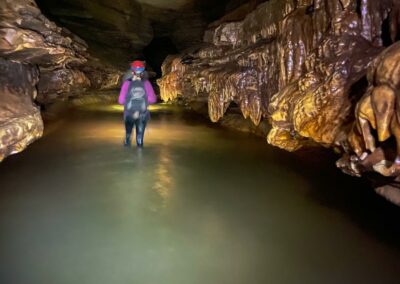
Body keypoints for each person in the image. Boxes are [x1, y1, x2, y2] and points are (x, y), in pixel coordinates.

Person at [118, 60, 157, 147]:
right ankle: (140, 154)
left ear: (132, 72)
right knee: (139, 138)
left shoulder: (127, 83)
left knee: (128, 134)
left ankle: (127, 149)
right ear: (142, 73)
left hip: (129, 113)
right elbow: (152, 99)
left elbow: (121, 101)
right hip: (142, 114)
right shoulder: (146, 83)